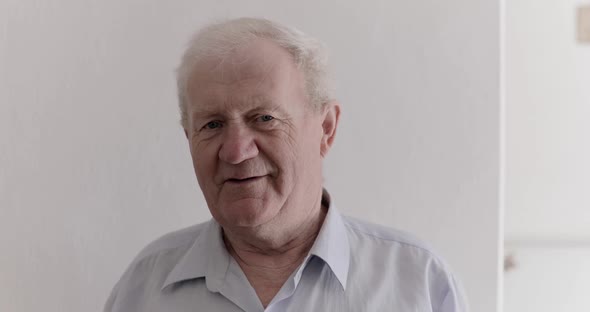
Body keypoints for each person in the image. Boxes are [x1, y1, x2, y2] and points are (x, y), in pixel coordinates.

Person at [104, 17, 468, 312]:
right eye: (212, 124)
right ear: (189, 138)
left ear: (326, 128)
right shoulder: (143, 291)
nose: (235, 151)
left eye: (264, 118)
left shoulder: (419, 285)